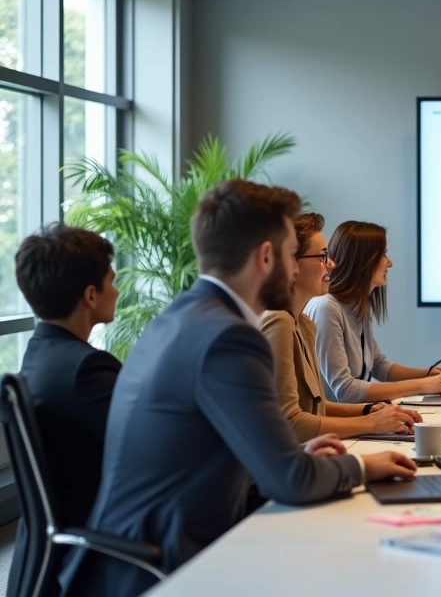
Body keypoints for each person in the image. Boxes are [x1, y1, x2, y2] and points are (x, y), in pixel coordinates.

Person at [59, 180, 417, 597]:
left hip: (138, 551)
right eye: (290, 255)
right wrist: (366, 467)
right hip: (169, 565)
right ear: (267, 257)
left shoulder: (184, 316)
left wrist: (295, 455)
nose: (303, 267)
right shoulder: (229, 336)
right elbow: (291, 482)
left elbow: (229, 451)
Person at [9, 224, 120, 596]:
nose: (117, 291)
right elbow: (147, 452)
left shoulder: (39, 355)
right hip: (91, 562)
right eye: (112, 281)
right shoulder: (87, 370)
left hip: (46, 560)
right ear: (91, 294)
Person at [260, 213, 424, 441]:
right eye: (323, 257)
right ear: (292, 265)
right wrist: (371, 423)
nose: (332, 264)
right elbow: (291, 422)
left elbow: (314, 408)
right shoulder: (279, 321)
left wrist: (368, 410)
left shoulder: (303, 324)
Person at [307, 221, 441, 403]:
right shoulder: (327, 308)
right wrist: (422, 385)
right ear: (363, 261)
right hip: (340, 425)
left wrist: (428, 374)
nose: (390, 263)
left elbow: (378, 365)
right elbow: (345, 390)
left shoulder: (357, 306)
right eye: (384, 255)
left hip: (359, 417)